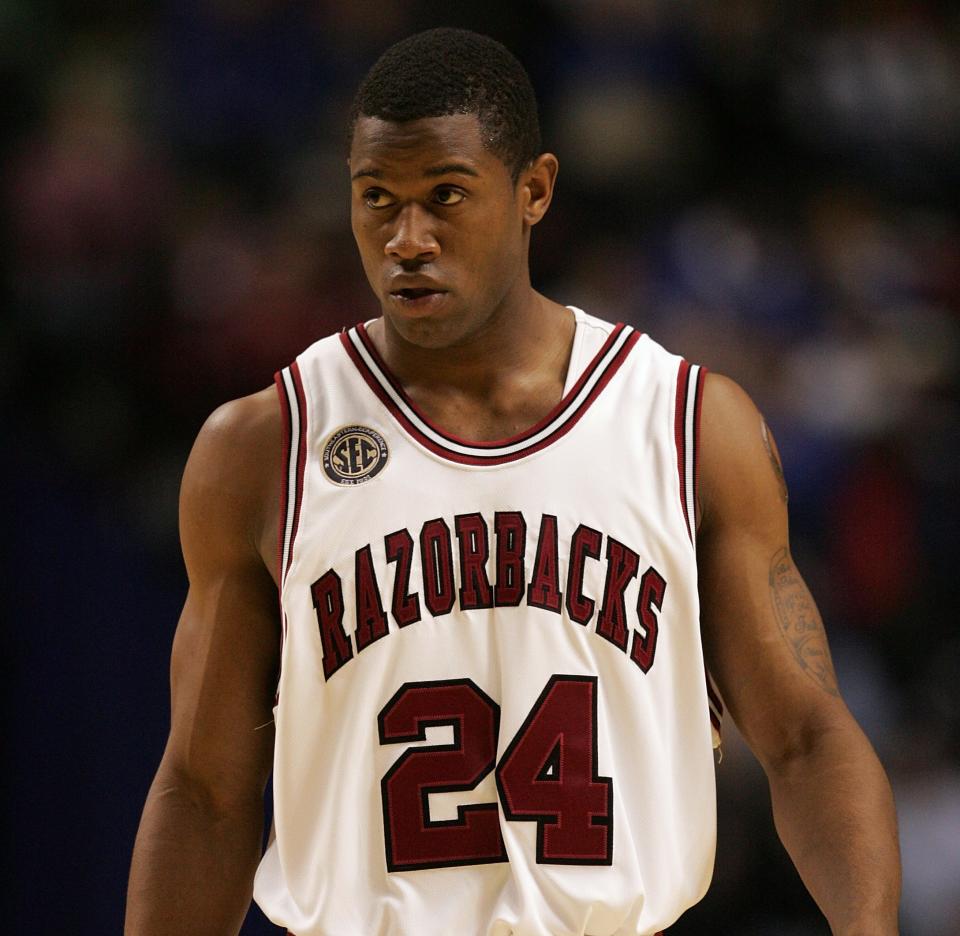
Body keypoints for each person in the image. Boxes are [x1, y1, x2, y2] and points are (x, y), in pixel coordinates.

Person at [125, 27, 901, 936]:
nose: (406, 239)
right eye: (377, 199)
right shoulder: (265, 445)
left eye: (444, 196)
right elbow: (205, 791)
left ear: (534, 190)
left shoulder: (685, 423)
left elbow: (807, 741)